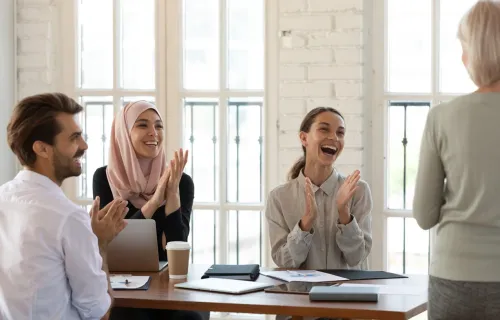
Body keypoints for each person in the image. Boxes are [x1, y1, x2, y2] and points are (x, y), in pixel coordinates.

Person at [0, 92, 128, 320]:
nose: (84, 145)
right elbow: (99, 313)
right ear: (42, 149)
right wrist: (99, 242)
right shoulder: (68, 217)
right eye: (74, 138)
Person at [413, 2, 500, 319]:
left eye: (464, 47)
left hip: (453, 274)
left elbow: (424, 215)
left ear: (473, 54)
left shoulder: (442, 117)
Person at [92, 100, 205, 320]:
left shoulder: (182, 181)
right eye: (142, 125)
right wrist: (153, 202)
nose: (153, 133)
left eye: (159, 125)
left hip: (168, 288)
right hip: (121, 286)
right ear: (124, 133)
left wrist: (172, 194)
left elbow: (176, 249)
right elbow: (114, 241)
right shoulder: (105, 178)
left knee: (189, 318)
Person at [265, 106, 373, 271]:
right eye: (324, 129)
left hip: (348, 295)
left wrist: (344, 214)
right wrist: (305, 223)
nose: (334, 137)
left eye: (340, 133)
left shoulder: (358, 191)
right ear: (304, 138)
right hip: (299, 296)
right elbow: (284, 262)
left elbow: (356, 258)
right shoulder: (279, 198)